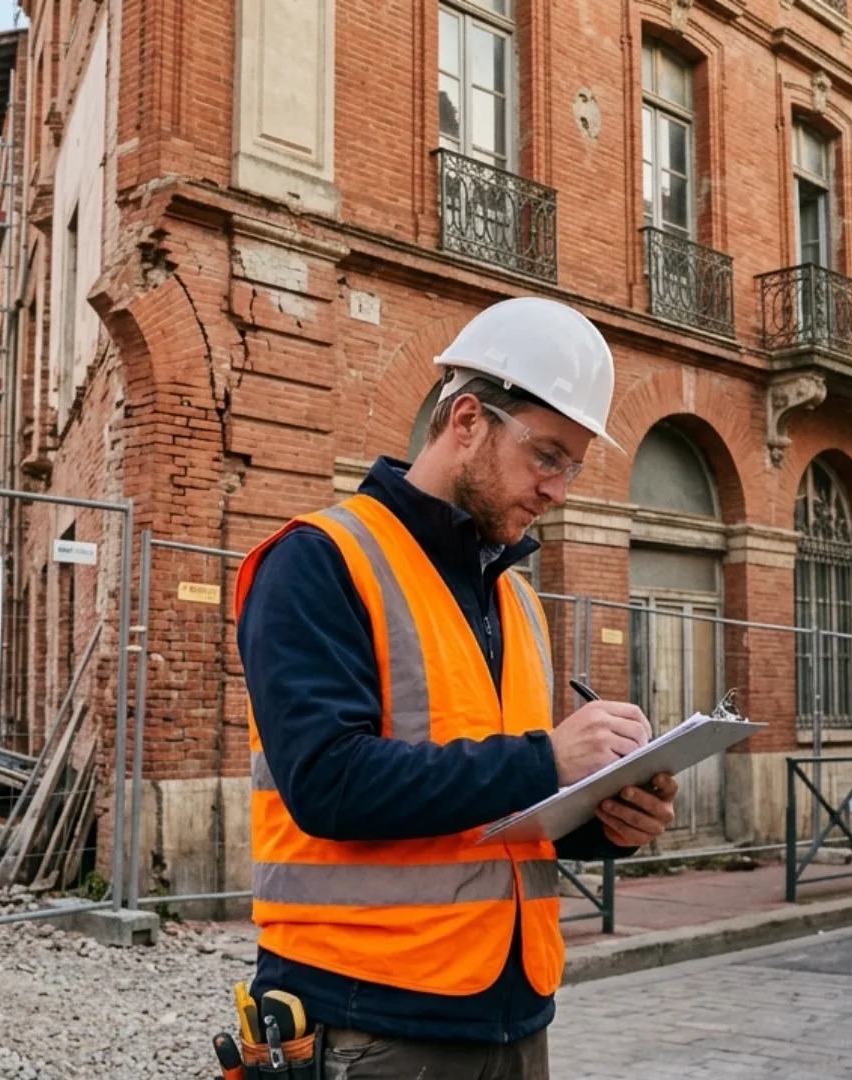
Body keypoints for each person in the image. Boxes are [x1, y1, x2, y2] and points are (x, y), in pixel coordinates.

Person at [236, 297, 680, 1079]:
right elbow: (329, 784)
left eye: (572, 466)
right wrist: (549, 758)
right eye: (547, 455)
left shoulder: (515, 600)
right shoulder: (319, 559)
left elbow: (500, 814)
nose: (559, 490)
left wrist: (605, 819)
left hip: (512, 1014)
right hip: (369, 1018)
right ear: (468, 420)